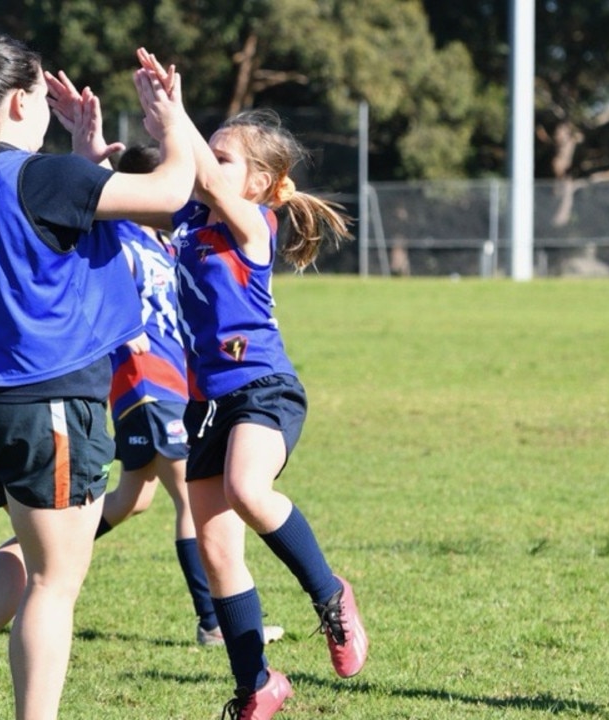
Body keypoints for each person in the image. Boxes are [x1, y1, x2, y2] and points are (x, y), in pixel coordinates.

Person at [0, 35, 194, 720]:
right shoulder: (42, 177)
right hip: (48, 403)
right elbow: (172, 191)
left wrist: (84, 161)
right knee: (57, 580)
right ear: (26, 100)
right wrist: (170, 117)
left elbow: (38, 240)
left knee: (38, 551)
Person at [138, 50, 368, 720]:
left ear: (262, 182)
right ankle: (255, 687)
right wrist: (96, 139)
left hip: (264, 387)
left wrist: (175, 115)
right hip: (205, 402)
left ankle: (332, 598)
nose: (210, 165)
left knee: (247, 489)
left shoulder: (253, 226)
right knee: (216, 551)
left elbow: (205, 179)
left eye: (226, 157)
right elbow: (129, 188)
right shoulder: (186, 224)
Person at [96, 145, 283, 648]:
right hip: (145, 382)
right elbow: (92, 267)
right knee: (190, 495)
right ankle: (214, 621)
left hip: (176, 381)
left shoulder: (165, 242)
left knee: (133, 499)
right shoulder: (121, 235)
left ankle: (39, 546)